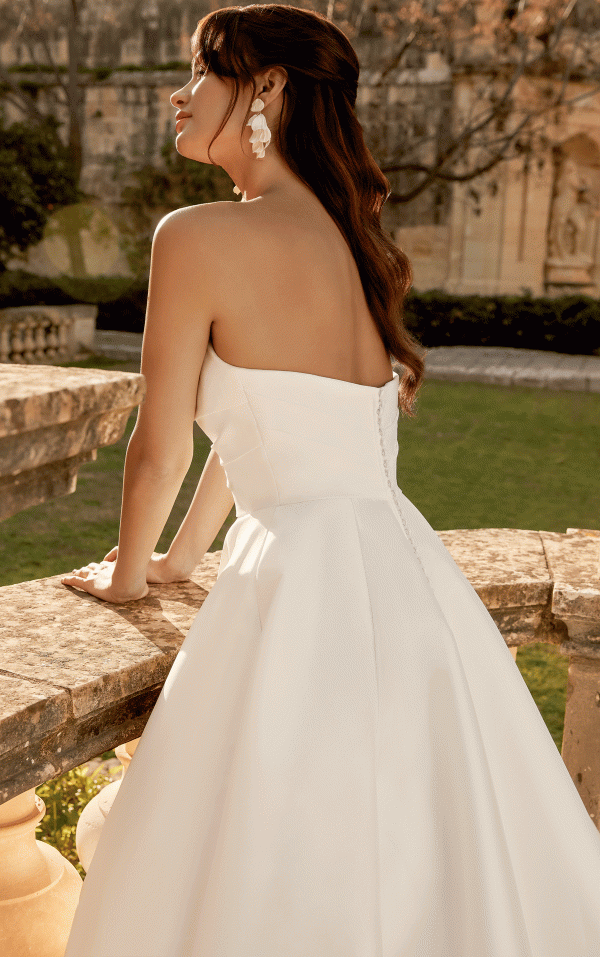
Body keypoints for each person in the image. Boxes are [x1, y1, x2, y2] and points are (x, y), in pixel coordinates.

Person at [61, 5, 600, 956]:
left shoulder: (192, 236)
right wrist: (190, 553)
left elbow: (164, 447)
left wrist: (133, 574)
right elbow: (265, 425)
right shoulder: (350, 239)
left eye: (201, 70)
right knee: (422, 847)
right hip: (409, 577)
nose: (175, 94)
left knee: (287, 853)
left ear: (266, 86)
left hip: (299, 583)